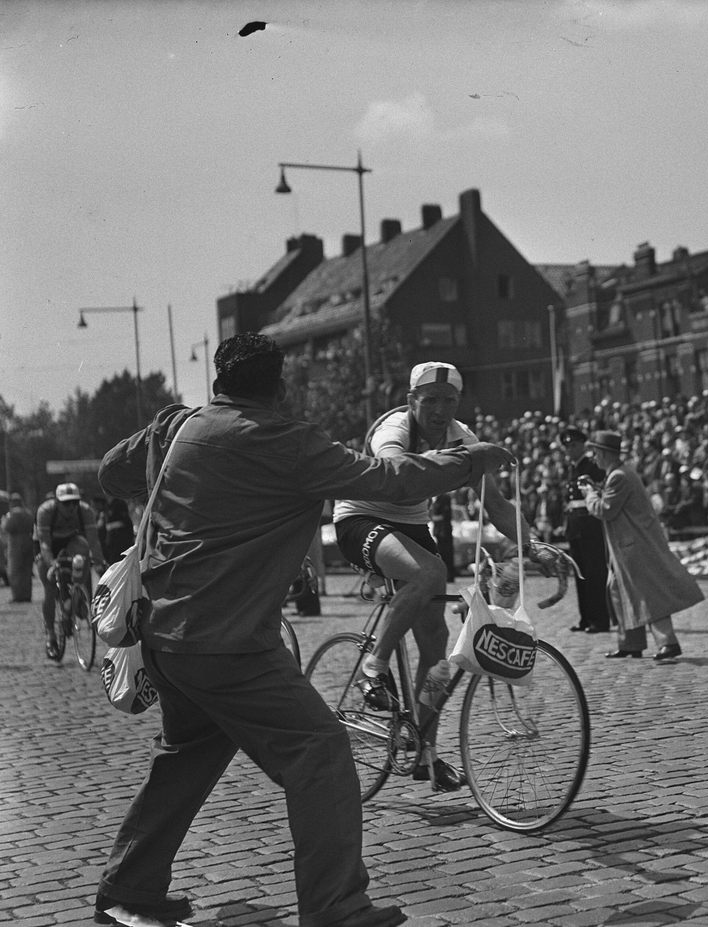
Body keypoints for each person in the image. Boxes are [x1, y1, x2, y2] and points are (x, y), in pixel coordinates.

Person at [93, 333, 515, 927]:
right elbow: (390, 480)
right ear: (280, 386)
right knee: (319, 753)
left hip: (165, 636)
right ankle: (335, 907)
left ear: (219, 380)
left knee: (188, 755)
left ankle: (126, 892)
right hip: (230, 641)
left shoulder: (177, 427)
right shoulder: (288, 443)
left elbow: (112, 475)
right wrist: (473, 460)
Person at [332, 361, 558, 791]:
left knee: (436, 652)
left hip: (411, 525)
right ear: (411, 401)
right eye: (430, 400)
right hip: (362, 516)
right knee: (430, 572)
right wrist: (469, 458)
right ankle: (372, 668)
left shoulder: (462, 437)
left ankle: (425, 754)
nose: (439, 411)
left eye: (449, 402)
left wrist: (533, 544)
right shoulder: (392, 432)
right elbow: (400, 479)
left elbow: (496, 504)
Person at [582, 430, 704, 660]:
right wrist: (596, 490)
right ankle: (630, 643)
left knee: (647, 593)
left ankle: (668, 642)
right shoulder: (619, 474)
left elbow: (605, 509)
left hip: (634, 547)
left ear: (605, 453)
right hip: (625, 548)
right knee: (619, 591)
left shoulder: (619, 476)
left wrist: (589, 494)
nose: (593, 458)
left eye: (595, 453)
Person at [35, 482, 105, 659]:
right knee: (49, 589)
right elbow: (44, 544)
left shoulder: (85, 511)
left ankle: (77, 597)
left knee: (83, 552)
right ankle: (51, 636)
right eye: (66, 503)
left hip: (71, 541)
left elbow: (93, 541)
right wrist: (51, 564)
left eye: (75, 502)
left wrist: (98, 563)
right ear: (57, 502)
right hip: (47, 544)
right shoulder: (45, 511)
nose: (71, 507)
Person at [560, 426, 611, 634]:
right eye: (567, 446)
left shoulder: (592, 467)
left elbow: (599, 492)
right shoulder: (572, 468)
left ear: (583, 445)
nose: (570, 450)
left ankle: (600, 619)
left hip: (590, 526)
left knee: (594, 574)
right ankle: (585, 617)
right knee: (580, 574)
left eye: (574, 445)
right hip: (576, 526)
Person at [1, 493, 36, 602]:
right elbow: (32, 526)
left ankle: (17, 596)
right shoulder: (28, 513)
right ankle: (27, 595)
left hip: (15, 543)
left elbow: (7, 527)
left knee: (15, 570)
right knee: (27, 570)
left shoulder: (12, 514)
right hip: (28, 541)